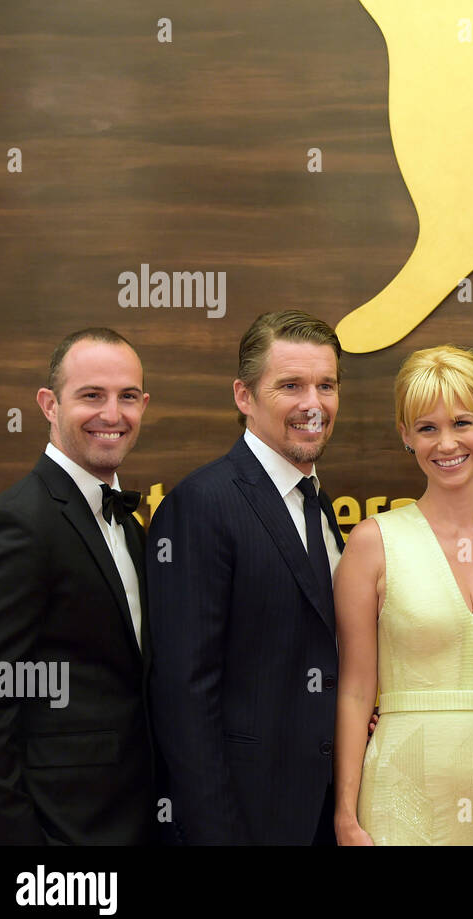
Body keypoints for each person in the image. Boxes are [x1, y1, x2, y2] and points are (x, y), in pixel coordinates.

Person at [333, 345, 473, 846]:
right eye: (427, 427)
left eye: (461, 422)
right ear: (405, 436)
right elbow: (353, 691)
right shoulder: (374, 543)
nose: (446, 442)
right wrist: (345, 816)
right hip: (401, 792)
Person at [148, 310, 346, 845]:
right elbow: (183, 694)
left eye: (325, 385)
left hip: (323, 812)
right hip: (243, 820)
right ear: (244, 396)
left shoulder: (317, 504)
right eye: (291, 385)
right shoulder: (200, 505)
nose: (313, 404)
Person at [0, 328, 157, 845]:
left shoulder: (131, 527)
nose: (113, 414)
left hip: (132, 821)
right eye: (91, 395)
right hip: (58, 836)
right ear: (49, 405)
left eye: (128, 397)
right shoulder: (20, 523)